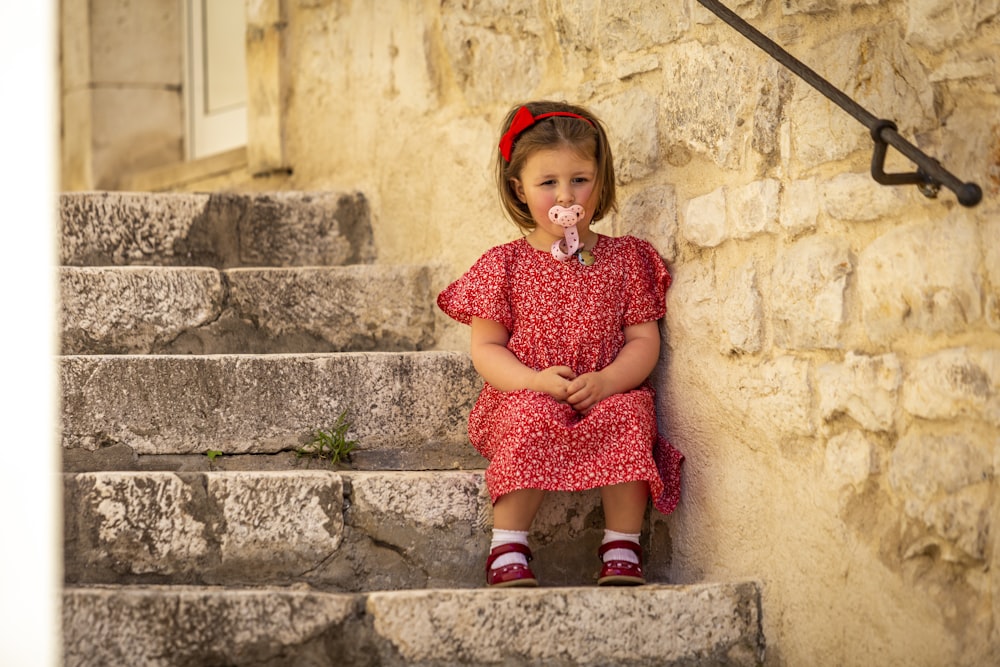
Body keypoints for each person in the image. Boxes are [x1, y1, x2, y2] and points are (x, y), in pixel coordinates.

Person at [437, 100, 683, 587]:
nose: (565, 195)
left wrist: (610, 379)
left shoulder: (625, 259)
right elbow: (487, 348)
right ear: (519, 189)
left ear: (600, 178)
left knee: (631, 413)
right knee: (532, 416)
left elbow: (642, 339)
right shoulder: (503, 265)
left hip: (604, 390)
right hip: (525, 393)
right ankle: (507, 545)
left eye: (579, 179)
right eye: (547, 182)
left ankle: (622, 547)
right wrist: (533, 380)